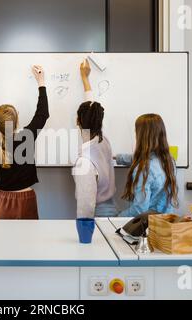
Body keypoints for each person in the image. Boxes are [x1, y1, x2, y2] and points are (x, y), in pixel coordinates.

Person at [0, 66, 49, 219]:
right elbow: (43, 113)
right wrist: (41, 82)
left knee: (1, 244)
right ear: (16, 121)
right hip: (27, 201)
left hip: (2, 204)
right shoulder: (26, 137)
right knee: (28, 243)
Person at [72, 59, 117, 218]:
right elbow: (92, 111)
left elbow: (85, 206)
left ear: (78, 121)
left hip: (96, 215)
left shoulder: (85, 161)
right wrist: (85, 79)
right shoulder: (103, 140)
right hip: (111, 208)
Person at [116, 113, 179, 217]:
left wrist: (117, 217)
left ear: (141, 137)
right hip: (165, 223)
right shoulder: (168, 161)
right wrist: (117, 158)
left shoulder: (144, 169)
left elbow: (139, 209)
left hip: (148, 226)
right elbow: (137, 158)